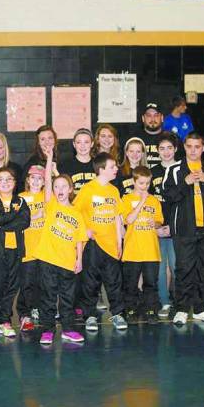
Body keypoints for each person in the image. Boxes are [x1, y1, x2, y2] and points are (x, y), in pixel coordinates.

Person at [162, 132, 204, 325]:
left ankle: (200, 308)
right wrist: (186, 182)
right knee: (184, 268)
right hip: (184, 228)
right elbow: (168, 195)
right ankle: (181, 308)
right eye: (189, 146)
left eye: (197, 147)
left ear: (203, 148)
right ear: (184, 146)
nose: (193, 150)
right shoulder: (174, 170)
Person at [36, 148, 88, 345]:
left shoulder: (76, 213)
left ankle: (67, 329)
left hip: (68, 262)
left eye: (63, 186)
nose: (59, 190)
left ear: (70, 189)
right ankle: (47, 330)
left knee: (67, 298)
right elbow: (47, 180)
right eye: (56, 186)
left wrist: (79, 260)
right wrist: (49, 158)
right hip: (48, 259)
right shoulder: (51, 205)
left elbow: (80, 239)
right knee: (48, 297)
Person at [75, 152, 128, 331]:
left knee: (114, 281)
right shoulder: (87, 189)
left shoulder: (113, 190)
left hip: (111, 244)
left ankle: (118, 313)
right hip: (93, 244)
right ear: (101, 169)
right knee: (90, 282)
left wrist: (120, 242)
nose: (116, 169)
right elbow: (75, 212)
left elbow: (117, 218)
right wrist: (84, 230)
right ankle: (89, 315)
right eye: (112, 167)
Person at [0, 167, 30, 338]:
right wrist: (12, 216)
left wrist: (2, 225)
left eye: (9, 179)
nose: (5, 182)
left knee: (11, 287)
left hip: (15, 251)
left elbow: (25, 222)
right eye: (0, 179)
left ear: (14, 183)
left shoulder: (21, 201)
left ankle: (4, 320)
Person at [120, 165, 164, 324]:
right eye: (141, 183)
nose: (144, 186)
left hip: (151, 250)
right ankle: (131, 310)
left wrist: (156, 223)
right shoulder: (126, 199)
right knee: (131, 284)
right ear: (134, 181)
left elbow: (159, 220)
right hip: (132, 250)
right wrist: (141, 202)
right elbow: (129, 220)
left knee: (151, 283)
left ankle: (151, 310)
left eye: (147, 183)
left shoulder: (154, 200)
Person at [151, 133, 178, 319]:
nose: (166, 152)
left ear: (175, 149)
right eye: (162, 148)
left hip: (177, 228)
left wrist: (174, 226)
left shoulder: (183, 170)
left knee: (178, 265)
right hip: (158, 228)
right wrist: (156, 225)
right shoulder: (152, 171)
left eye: (169, 148)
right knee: (160, 268)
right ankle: (164, 302)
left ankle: (181, 301)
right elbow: (150, 202)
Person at [17, 165, 46, 332]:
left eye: (40, 178)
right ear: (27, 180)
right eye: (33, 178)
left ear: (44, 181)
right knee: (26, 283)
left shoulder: (47, 197)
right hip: (27, 248)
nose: (36, 181)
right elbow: (18, 220)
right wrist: (35, 215)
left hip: (43, 249)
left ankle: (37, 307)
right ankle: (24, 312)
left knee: (42, 282)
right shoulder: (21, 197)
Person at [58, 128, 95, 194]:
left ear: (92, 144)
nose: (82, 146)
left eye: (86, 142)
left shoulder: (99, 164)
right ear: (74, 144)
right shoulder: (65, 166)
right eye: (78, 142)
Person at [131, 103, 165, 168]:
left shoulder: (171, 139)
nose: (152, 119)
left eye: (156, 115)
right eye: (149, 116)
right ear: (143, 118)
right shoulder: (134, 139)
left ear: (162, 117)